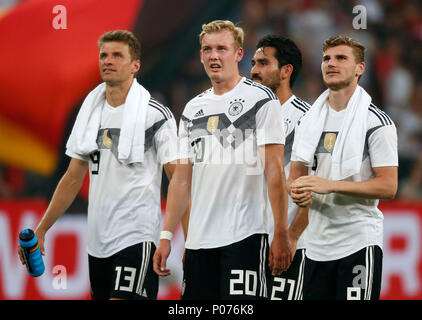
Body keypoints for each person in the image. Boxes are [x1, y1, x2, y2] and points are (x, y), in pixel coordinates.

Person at [18, 30, 179, 300]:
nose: (108, 60)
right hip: (98, 242)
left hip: (137, 236)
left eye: (118, 55)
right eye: (104, 55)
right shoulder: (90, 112)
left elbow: (180, 180)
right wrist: (42, 228)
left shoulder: (155, 114)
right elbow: (71, 179)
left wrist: (180, 237)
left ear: (135, 65)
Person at [153, 20, 293, 300]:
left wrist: (280, 232)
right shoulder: (193, 109)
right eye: (207, 49)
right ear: (201, 55)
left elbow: (275, 171)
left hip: (246, 236)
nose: (214, 55)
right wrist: (167, 235)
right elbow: (181, 180)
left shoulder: (261, 100)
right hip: (199, 242)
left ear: (239, 54)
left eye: (221, 48)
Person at [289, 35, 398, 300]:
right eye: (327, 58)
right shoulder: (307, 121)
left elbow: (389, 186)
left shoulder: (377, 123)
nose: (331, 63)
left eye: (341, 58)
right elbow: (297, 177)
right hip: (315, 245)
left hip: (358, 242)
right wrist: (298, 192)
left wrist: (330, 185)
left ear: (360, 68)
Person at [250, 34, 311, 300]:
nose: (253, 70)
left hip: (287, 246)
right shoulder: (241, 117)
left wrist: (292, 237)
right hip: (246, 239)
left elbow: (319, 188)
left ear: (286, 71)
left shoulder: (308, 119)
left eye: (263, 63)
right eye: (253, 63)